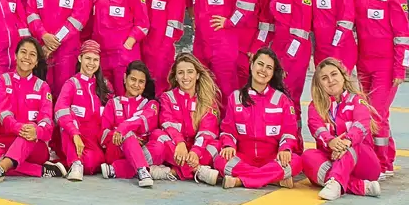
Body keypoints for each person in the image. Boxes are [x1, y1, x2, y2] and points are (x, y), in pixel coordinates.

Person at [302, 57, 384, 199]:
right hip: (332, 161)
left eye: (334, 74)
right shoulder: (315, 106)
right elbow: (316, 127)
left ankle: (335, 182)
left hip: (363, 164)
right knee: (307, 156)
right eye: (324, 78)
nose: (330, 80)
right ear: (319, 84)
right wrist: (330, 142)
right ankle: (359, 186)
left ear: (343, 76)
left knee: (353, 143)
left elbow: (362, 123)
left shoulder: (358, 100)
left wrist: (345, 143)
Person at [216, 48, 298, 189]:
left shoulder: (282, 100)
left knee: (296, 161)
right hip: (243, 157)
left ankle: (240, 181)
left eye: (269, 68)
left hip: (273, 158)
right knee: (220, 160)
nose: (263, 70)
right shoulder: (236, 98)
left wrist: (285, 148)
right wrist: (229, 145)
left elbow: (289, 132)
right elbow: (227, 130)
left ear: (273, 73)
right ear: (252, 65)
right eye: (260, 64)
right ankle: (271, 178)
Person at [0, 37, 53, 183]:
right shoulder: (3, 80)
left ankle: (2, 167)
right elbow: (3, 114)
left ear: (37, 61)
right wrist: (19, 128)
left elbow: (47, 120)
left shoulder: (42, 86)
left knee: (30, 130)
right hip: (6, 139)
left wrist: (37, 131)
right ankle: (41, 171)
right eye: (23, 52)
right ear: (15, 55)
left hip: (34, 144)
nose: (27, 57)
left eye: (32, 54)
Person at [354, 0, 409, 120]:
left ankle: (382, 149)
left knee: (376, 117)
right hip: (362, 64)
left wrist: (401, 68)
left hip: (385, 67)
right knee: (366, 117)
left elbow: (404, 36)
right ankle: (380, 149)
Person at [29, 0, 92, 94]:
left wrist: (55, 41)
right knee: (41, 93)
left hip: (67, 51)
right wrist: (43, 36)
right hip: (42, 48)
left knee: (64, 92)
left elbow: (78, 19)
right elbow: (31, 12)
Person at [261, 0, 315, 105]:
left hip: (295, 51)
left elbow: (301, 31)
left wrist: (287, 59)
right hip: (277, 47)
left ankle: (295, 131)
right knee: (275, 95)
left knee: (289, 95)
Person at [154, 53, 223, 185]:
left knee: (216, 144)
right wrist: (180, 143)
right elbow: (167, 123)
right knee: (158, 135)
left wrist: (196, 151)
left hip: (197, 149)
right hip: (175, 147)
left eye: (190, 72)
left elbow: (207, 131)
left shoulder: (208, 100)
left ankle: (173, 172)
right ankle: (197, 170)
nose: (185, 77)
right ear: (175, 76)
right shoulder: (167, 97)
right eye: (181, 73)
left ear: (197, 75)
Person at [91, 0, 148, 91]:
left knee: (125, 97)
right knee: (105, 97)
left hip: (123, 56)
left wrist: (128, 44)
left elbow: (143, 24)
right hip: (102, 55)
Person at [52, 40, 111, 181]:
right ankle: (75, 163)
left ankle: (64, 164)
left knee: (91, 164)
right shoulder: (71, 84)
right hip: (72, 137)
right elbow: (60, 110)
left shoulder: (105, 86)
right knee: (67, 119)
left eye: (95, 59)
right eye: (88, 58)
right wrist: (75, 133)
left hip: (94, 142)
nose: (91, 63)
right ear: (80, 58)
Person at [99, 61, 161, 187]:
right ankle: (143, 170)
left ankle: (116, 170)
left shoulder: (150, 105)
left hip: (139, 151)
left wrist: (122, 129)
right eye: (133, 79)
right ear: (124, 78)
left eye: (141, 82)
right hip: (116, 151)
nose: (136, 85)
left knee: (159, 147)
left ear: (145, 85)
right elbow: (103, 135)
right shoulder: (112, 103)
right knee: (128, 134)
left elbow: (144, 120)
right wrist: (121, 135)